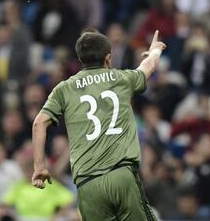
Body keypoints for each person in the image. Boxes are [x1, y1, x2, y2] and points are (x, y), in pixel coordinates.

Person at [31, 29, 166, 220]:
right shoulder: (121, 79)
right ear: (108, 58)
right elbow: (148, 67)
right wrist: (155, 50)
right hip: (122, 175)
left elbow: (39, 123)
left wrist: (39, 167)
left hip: (88, 184)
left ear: (80, 59)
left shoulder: (64, 89)